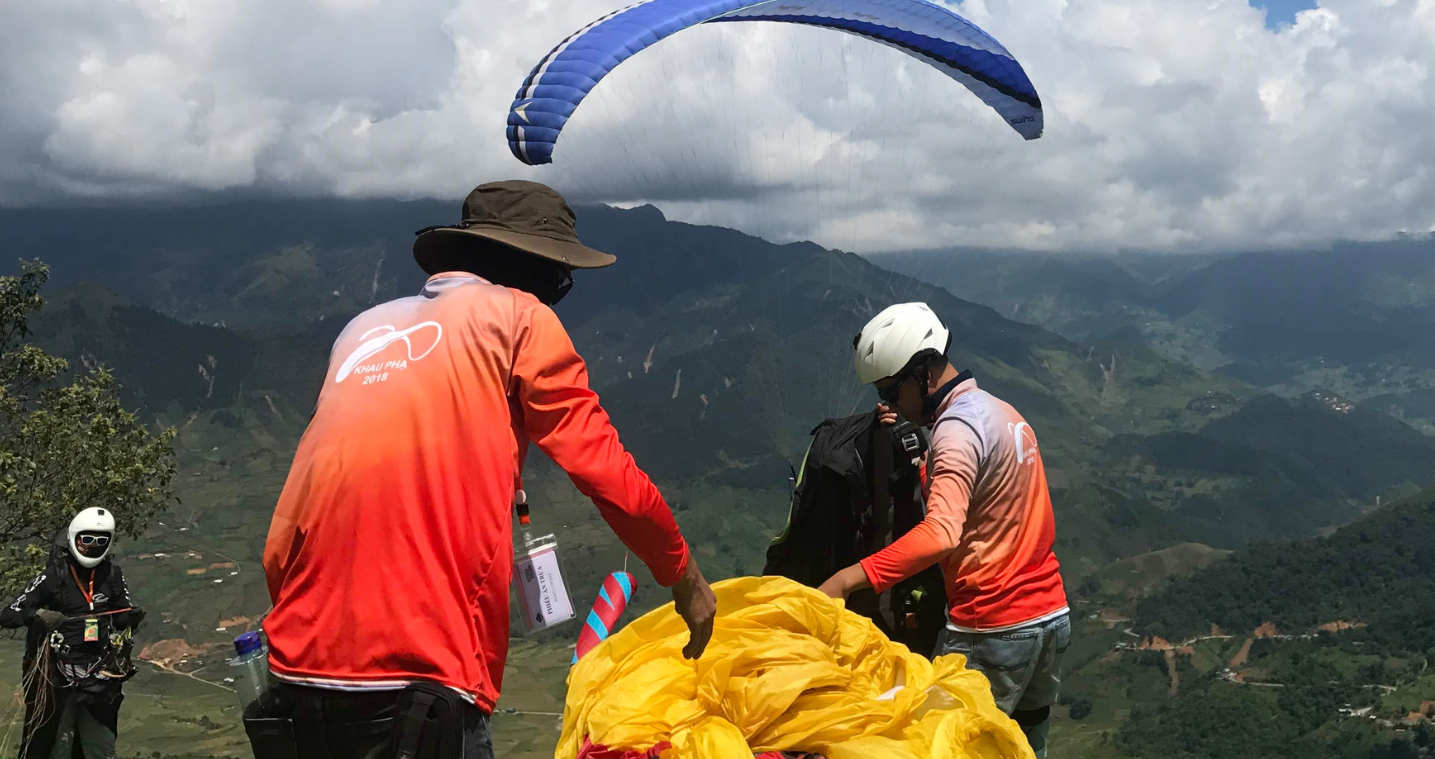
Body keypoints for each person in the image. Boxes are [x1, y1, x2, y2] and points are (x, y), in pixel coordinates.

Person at [258, 180, 717, 759]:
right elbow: (604, 469)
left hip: (296, 669)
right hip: (422, 675)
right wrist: (685, 575)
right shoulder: (520, 319)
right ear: (532, 267)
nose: (557, 294)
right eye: (559, 277)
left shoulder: (363, 330)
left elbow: (293, 517)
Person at [818, 303, 1070, 758]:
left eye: (893, 391)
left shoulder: (956, 431)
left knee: (938, 747)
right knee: (1023, 745)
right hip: (1048, 617)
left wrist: (846, 579)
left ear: (922, 372)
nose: (889, 403)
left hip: (992, 626)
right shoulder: (1001, 412)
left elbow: (940, 534)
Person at [0, 507, 142, 759]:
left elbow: (119, 618)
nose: (93, 546)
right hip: (56, 678)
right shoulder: (54, 576)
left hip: (100, 679)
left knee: (101, 747)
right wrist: (38, 616)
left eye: (100, 541)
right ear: (75, 537)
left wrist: (130, 618)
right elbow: (8, 614)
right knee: (57, 746)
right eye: (87, 540)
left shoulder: (112, 574)